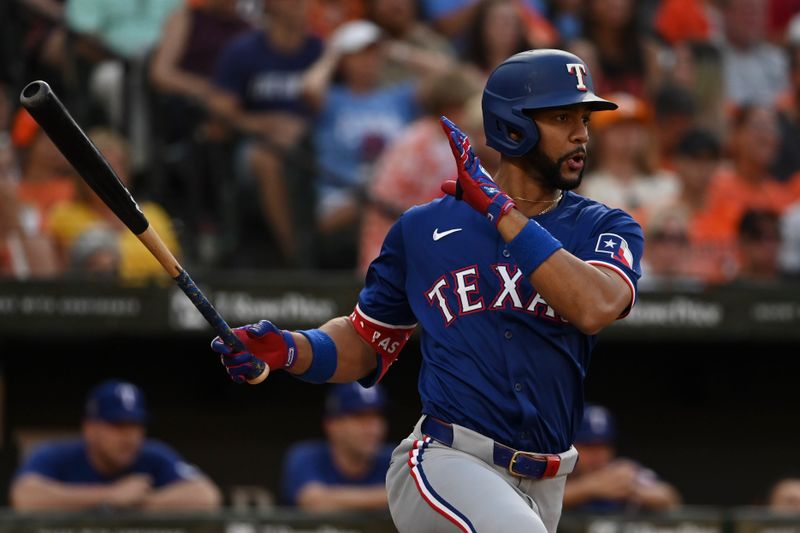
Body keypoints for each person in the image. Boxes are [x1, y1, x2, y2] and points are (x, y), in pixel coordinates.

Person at [211, 49, 643, 533]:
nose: (582, 132)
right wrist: (288, 349)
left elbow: (596, 305)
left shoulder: (605, 226)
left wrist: (501, 212)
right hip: (446, 462)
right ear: (512, 126)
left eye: (583, 117)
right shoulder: (423, 228)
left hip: (546, 481)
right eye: (562, 117)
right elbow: (367, 343)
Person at [10, 380, 221, 511]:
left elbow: (206, 496)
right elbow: (24, 497)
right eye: (118, 426)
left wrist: (135, 505)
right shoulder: (57, 454)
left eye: (136, 426)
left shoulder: (153, 455)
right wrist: (109, 496)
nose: (130, 437)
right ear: (90, 428)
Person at [281, 382, 393, 511]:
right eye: (360, 417)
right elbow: (314, 502)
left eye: (377, 417)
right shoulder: (307, 456)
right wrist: (391, 496)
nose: (373, 429)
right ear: (331, 425)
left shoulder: (394, 459)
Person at [562, 404, 681, 513]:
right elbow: (544, 501)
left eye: (604, 446)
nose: (599, 454)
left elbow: (671, 498)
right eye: (589, 446)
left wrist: (633, 489)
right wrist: (589, 487)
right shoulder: (559, 469)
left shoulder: (618, 471)